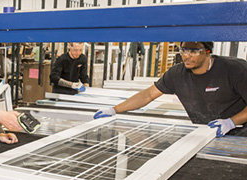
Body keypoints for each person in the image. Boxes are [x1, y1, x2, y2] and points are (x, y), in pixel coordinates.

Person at [94, 41, 247, 138]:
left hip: (240, 132)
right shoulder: (177, 74)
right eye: (184, 50)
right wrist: (114, 109)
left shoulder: (235, 70)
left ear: (208, 52)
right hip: (206, 133)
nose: (186, 56)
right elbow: (148, 95)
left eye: (194, 51)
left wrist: (231, 122)